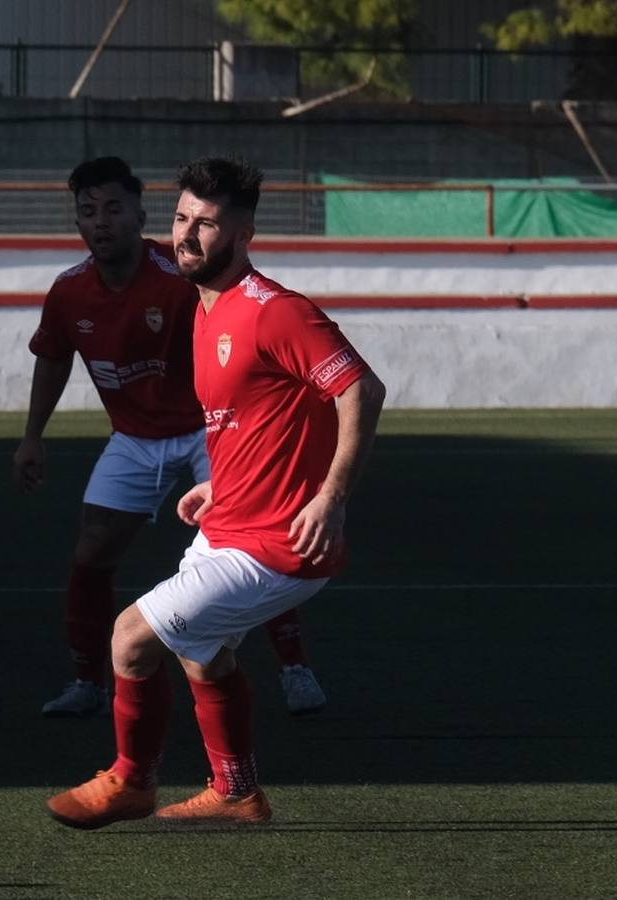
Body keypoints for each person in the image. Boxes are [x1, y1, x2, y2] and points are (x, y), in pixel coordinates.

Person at [46, 156, 386, 830]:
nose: (187, 235)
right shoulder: (207, 309)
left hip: (279, 543)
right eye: (181, 219)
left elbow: (360, 389)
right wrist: (216, 486)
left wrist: (331, 496)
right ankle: (237, 793)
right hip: (229, 521)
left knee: (132, 638)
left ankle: (130, 781)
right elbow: (259, 418)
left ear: (244, 233)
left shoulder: (274, 312)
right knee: (204, 651)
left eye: (206, 224)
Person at [16, 156, 329, 719]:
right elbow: (53, 357)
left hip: (207, 432)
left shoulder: (182, 276)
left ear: (140, 215)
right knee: (91, 551)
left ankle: (294, 666)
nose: (101, 222)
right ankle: (87, 683)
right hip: (135, 438)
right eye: (88, 212)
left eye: (114, 208)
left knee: (248, 546)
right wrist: (32, 435)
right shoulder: (69, 292)